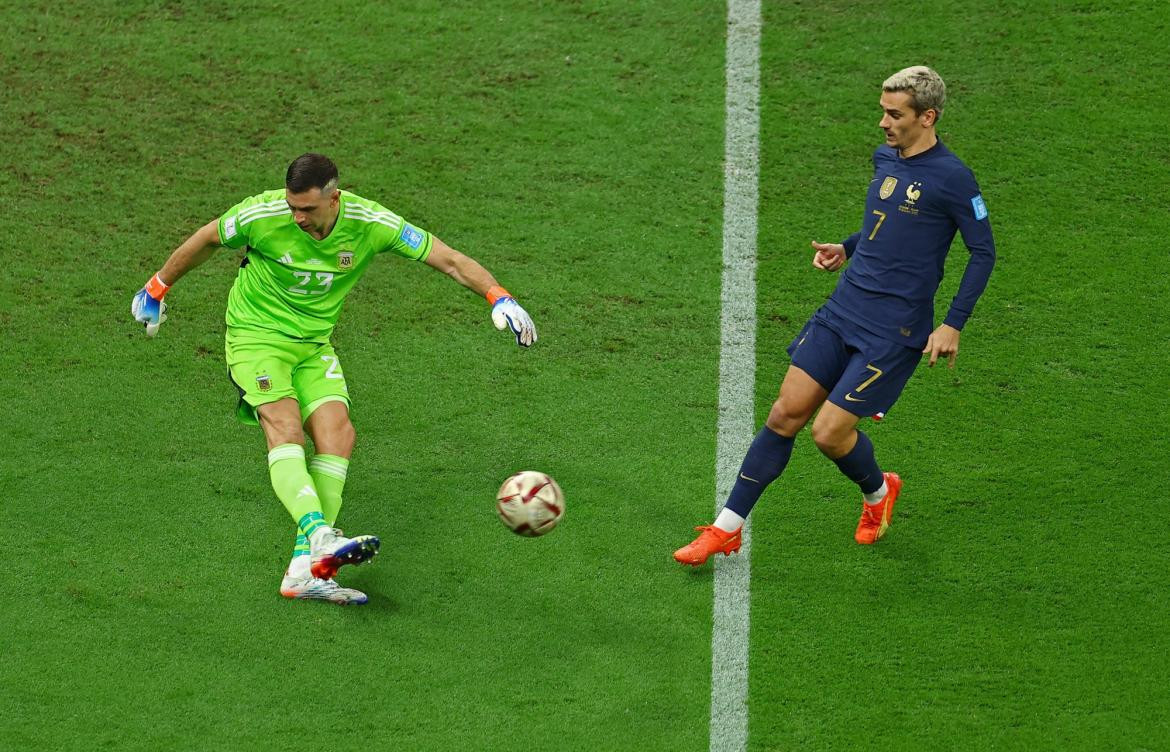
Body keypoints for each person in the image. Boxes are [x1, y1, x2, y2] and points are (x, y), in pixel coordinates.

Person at [133, 153, 537, 603]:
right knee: (284, 427)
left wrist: (498, 297)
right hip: (256, 338)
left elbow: (447, 259)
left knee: (338, 434)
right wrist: (156, 287)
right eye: (293, 207)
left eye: (307, 209)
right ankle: (319, 535)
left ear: (334, 198)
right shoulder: (262, 214)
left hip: (313, 345)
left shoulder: (370, 223)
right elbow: (207, 239)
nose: (298, 217)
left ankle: (304, 573)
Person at [675, 66, 995, 566]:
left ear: (927, 117)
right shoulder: (885, 158)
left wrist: (952, 322)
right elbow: (883, 226)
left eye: (894, 114)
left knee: (828, 434)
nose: (883, 123)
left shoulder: (953, 178)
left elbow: (983, 253)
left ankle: (877, 492)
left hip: (893, 330)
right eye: (883, 112)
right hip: (844, 307)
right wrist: (847, 248)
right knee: (784, 414)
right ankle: (725, 528)